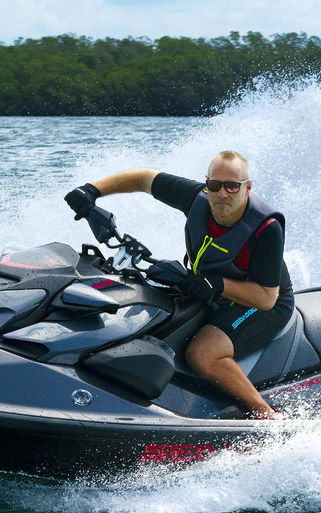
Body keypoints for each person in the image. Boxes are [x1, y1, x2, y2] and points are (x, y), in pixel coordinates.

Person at [64, 151, 291, 419]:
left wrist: (216, 284)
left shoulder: (266, 229)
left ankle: (266, 415)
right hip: (210, 291)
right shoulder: (197, 198)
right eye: (214, 186)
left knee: (202, 353)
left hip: (262, 303)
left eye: (232, 186)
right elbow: (144, 178)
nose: (222, 194)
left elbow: (266, 297)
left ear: (247, 187)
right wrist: (92, 190)